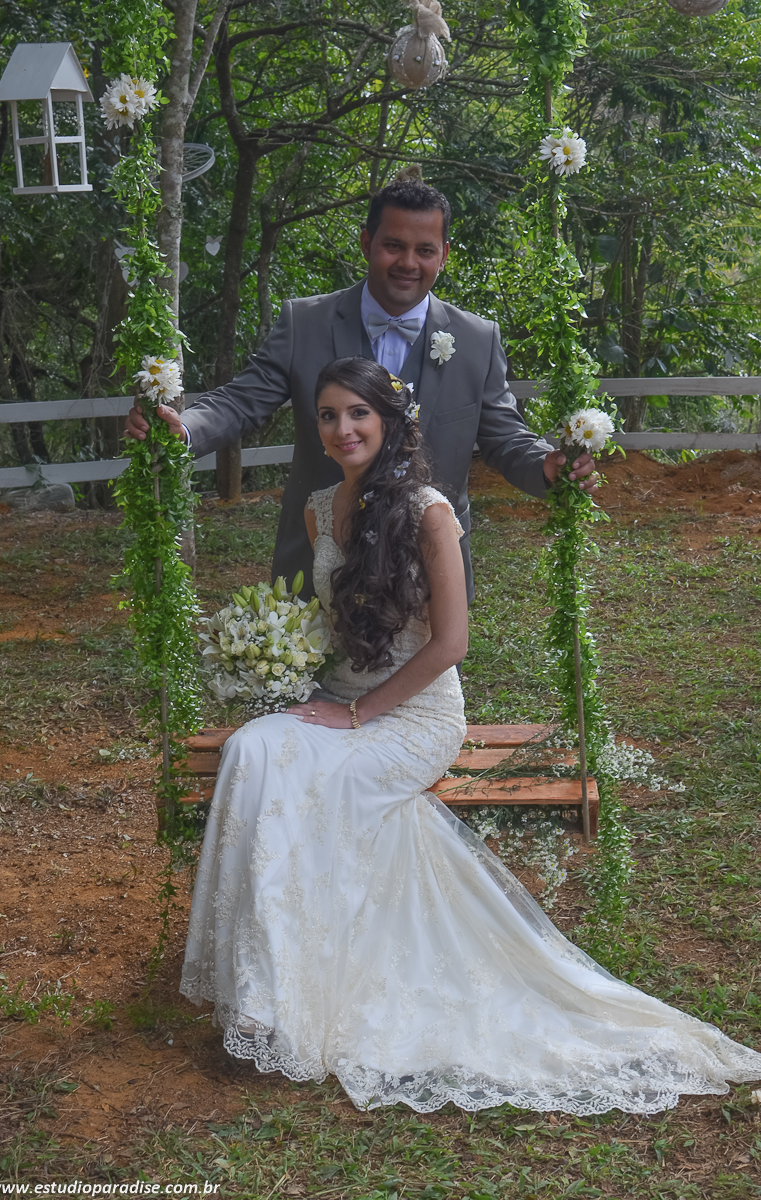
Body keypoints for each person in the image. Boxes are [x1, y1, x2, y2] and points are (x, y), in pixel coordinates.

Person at [180, 356, 761, 1115]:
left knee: (306, 778)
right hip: (341, 701)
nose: (342, 428)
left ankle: (298, 995)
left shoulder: (428, 511)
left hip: (413, 719)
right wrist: (272, 655)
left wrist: (358, 714)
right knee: (253, 749)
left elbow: (449, 643)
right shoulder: (320, 509)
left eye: (357, 413)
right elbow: (327, 624)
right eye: (327, 415)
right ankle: (270, 990)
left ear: (387, 421)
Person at [126, 179, 599, 600]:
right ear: (367, 242)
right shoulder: (304, 323)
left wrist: (546, 466)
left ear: (444, 254)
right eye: (394, 245)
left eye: (425, 250)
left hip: (430, 574)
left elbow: (503, 437)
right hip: (318, 564)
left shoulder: (477, 340)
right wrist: (184, 429)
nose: (408, 263)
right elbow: (242, 400)